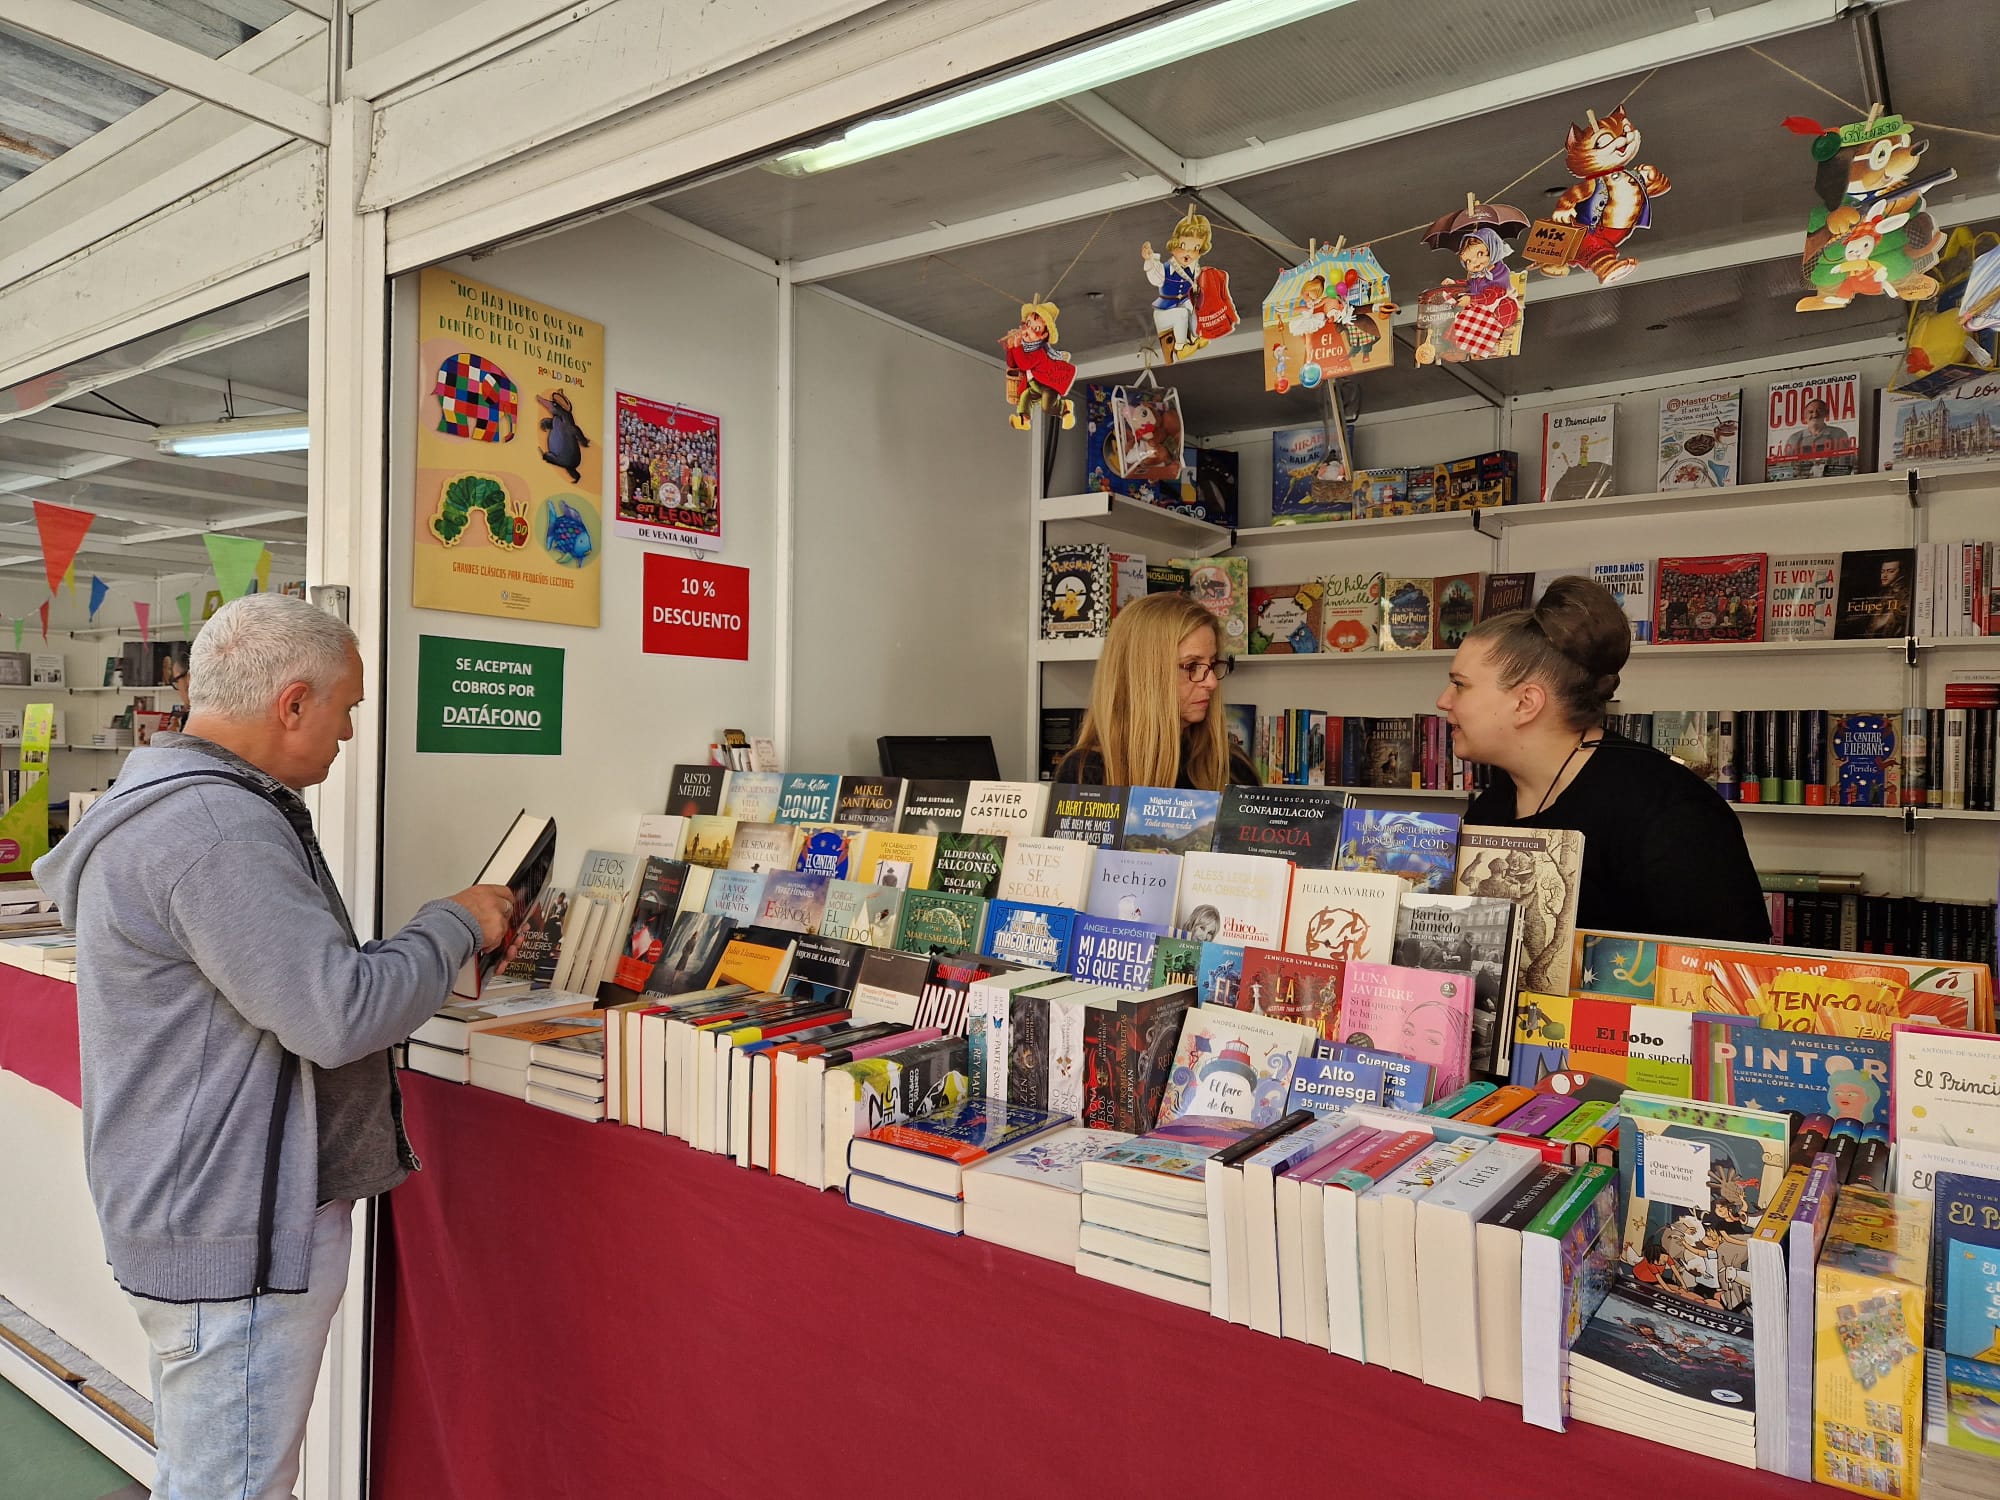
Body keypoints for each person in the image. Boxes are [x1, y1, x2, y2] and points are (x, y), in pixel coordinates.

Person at [34, 594, 517, 1500]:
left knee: (213, 1469)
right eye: (346, 708)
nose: (346, 733)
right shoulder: (216, 830)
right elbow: (334, 1015)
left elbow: (283, 988)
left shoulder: (167, 804)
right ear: (293, 703)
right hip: (234, 1226)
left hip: (196, 1205)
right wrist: (453, 923)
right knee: (232, 1483)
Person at [1438, 575, 1769, 943]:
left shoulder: (1672, 811)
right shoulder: (1494, 803)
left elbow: (1730, 971)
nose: (1443, 701)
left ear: (1525, 703)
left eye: (1460, 684)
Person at [1052, 591, 1259, 789]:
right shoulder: (1085, 771)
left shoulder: (1232, 766)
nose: (1212, 682)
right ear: (1143, 675)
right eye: (1191, 666)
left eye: (1212, 664)